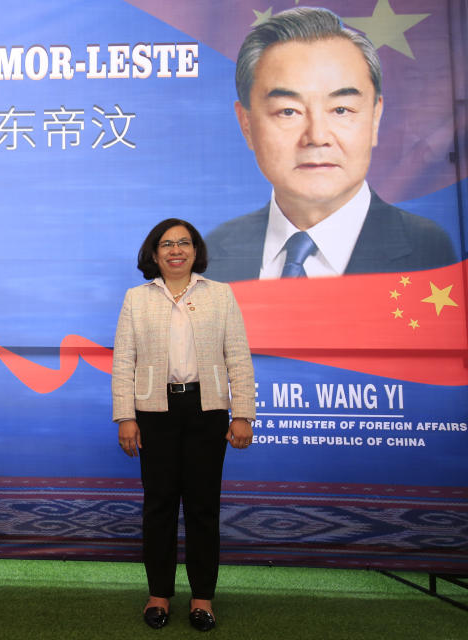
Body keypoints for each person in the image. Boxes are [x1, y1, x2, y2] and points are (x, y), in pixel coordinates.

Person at [205, 7, 454, 282]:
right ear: (247, 124)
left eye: (341, 110)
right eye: (289, 111)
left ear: (374, 118)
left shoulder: (429, 252)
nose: (317, 136)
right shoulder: (213, 256)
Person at [112, 218, 255, 632]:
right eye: (167, 244)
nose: (176, 250)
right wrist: (126, 416)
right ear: (154, 253)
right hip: (153, 412)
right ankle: (158, 595)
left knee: (203, 509)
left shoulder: (220, 295)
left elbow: (238, 358)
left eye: (184, 243)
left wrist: (242, 412)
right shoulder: (137, 298)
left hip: (206, 411)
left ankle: (202, 598)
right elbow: (124, 363)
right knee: (158, 507)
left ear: (195, 251)